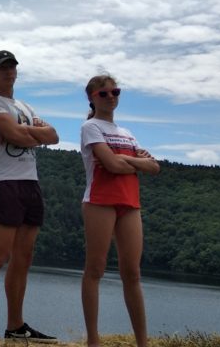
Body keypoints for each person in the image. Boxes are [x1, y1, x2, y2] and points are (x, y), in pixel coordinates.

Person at [0, 50, 59, 347]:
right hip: (3, 184)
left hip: (29, 184)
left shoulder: (23, 105)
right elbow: (20, 136)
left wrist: (22, 132)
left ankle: (15, 326)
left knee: (23, 259)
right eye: (3, 68)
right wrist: (28, 132)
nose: (9, 73)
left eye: (12, 68)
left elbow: (54, 135)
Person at [80, 75, 160, 347]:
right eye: (104, 93)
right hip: (100, 201)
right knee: (95, 269)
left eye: (115, 91)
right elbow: (111, 165)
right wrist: (134, 161)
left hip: (129, 203)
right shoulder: (90, 127)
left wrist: (125, 160)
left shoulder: (127, 133)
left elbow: (155, 168)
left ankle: (142, 343)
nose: (111, 96)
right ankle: (93, 340)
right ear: (92, 97)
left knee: (132, 273)